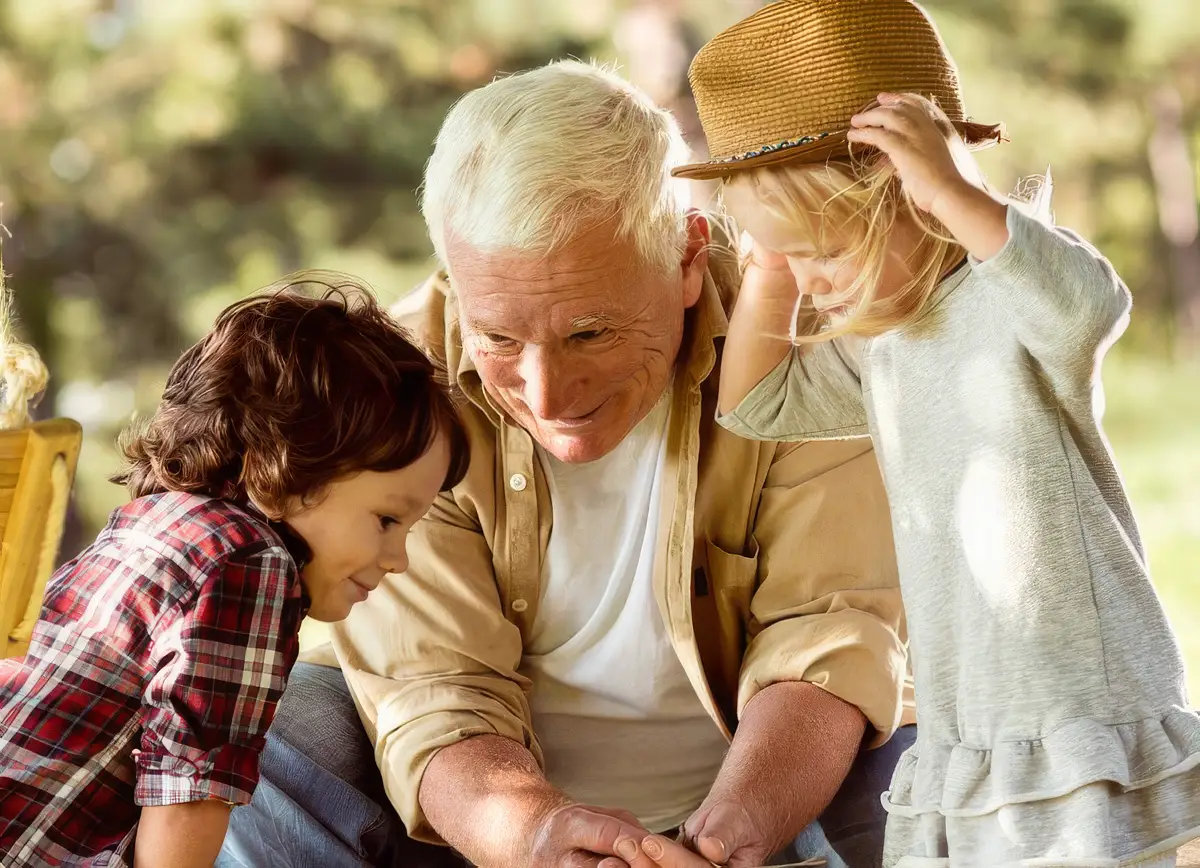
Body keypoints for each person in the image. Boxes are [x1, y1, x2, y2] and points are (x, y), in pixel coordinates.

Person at [218, 61, 916, 868]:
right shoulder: (396, 392)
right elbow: (436, 693)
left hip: (776, 803)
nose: (546, 393)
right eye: (499, 338)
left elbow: (828, 638)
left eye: (590, 333)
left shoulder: (809, 342)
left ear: (688, 260)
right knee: (273, 727)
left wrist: (729, 838)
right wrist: (538, 839)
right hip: (488, 834)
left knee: (931, 766)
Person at [673, 1, 1200, 865]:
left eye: (826, 252)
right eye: (792, 259)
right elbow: (756, 405)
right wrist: (773, 261)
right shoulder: (880, 344)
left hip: (1073, 704)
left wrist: (959, 192)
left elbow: (1091, 305)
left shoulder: (1009, 297)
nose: (813, 283)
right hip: (970, 720)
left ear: (912, 198)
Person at [0, 276, 469, 868]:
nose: (398, 558)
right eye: (387, 520)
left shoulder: (148, 524)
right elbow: (187, 798)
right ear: (281, 471)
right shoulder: (249, 565)